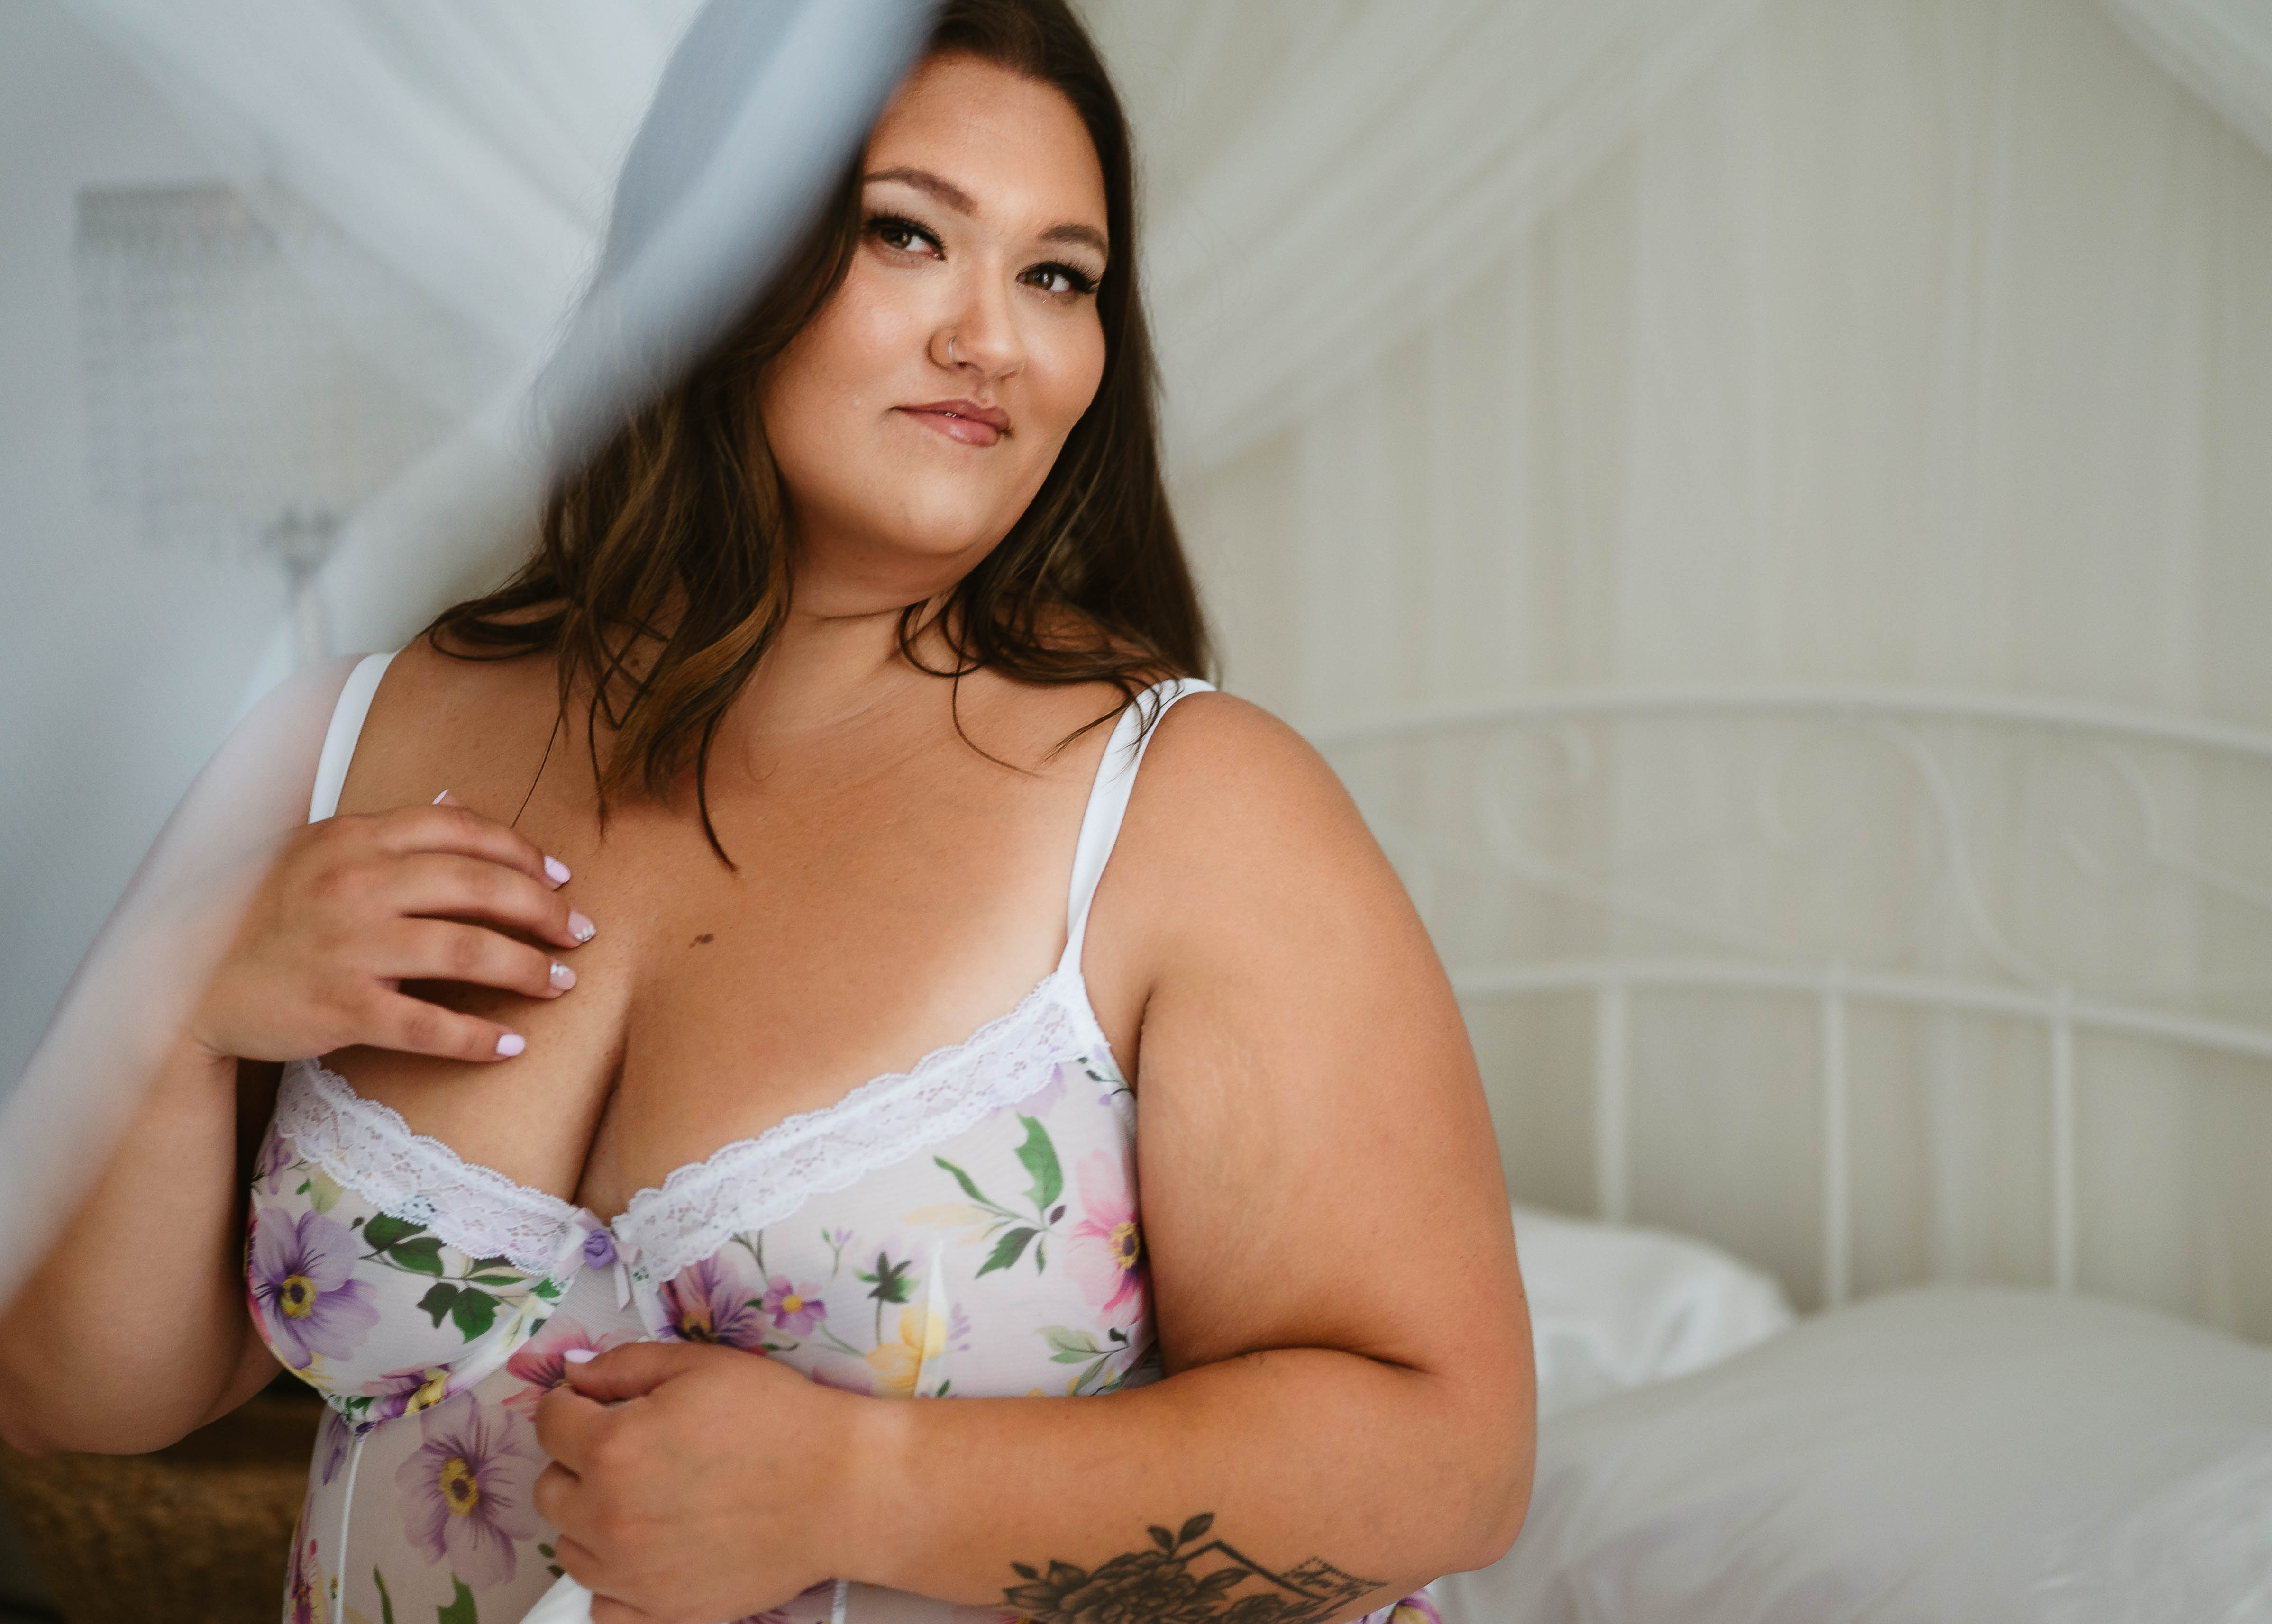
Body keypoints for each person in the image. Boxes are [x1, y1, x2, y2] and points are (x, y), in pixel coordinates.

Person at [0, 3, 1535, 1619]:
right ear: (717, 252)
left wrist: (856, 1487)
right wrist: (181, 1007)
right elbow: (80, 1399)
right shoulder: (342, 738)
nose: (993, 341)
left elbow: (1453, 1458)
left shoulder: (1187, 809)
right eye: (906, 235)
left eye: (1058, 274)